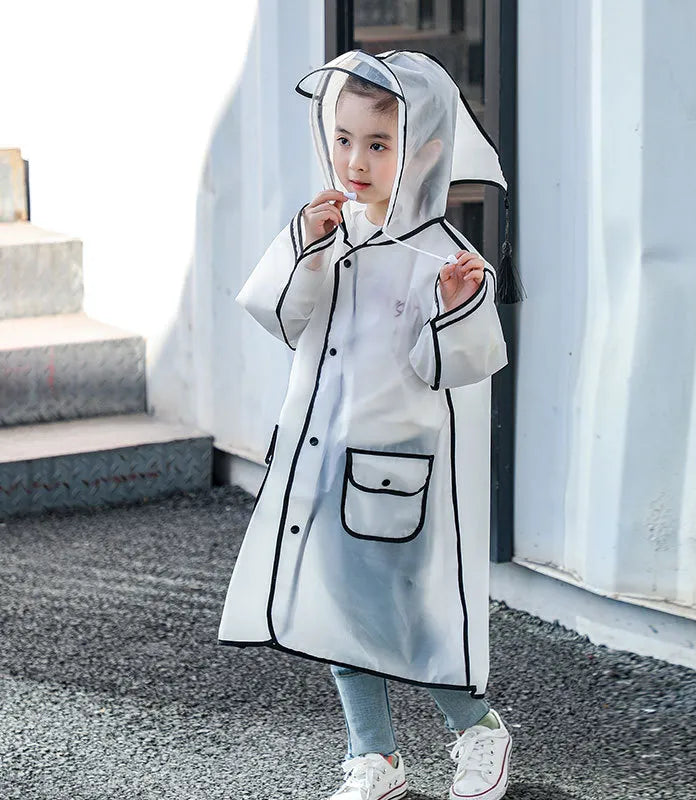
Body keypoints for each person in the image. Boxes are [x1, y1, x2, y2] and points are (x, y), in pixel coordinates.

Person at [218, 49, 524, 800]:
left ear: (425, 149)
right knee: (332, 611)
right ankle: (374, 757)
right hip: (325, 453)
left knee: (407, 615)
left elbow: (458, 364)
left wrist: (452, 307)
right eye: (345, 138)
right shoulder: (334, 232)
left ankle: (478, 730)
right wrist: (305, 247)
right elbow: (279, 315)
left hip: (403, 466)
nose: (355, 160)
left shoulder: (448, 256)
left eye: (378, 144)